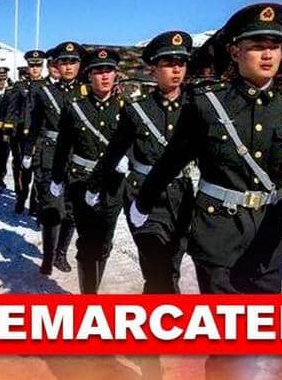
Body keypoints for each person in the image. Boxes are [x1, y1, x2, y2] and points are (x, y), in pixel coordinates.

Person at [131, 3, 282, 380]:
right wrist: (144, 200)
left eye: (274, 45)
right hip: (218, 234)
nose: (267, 54)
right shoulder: (208, 104)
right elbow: (172, 160)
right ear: (235, 52)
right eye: (257, 46)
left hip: (269, 234)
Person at [88, 31, 195, 295]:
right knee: (157, 265)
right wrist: (94, 185)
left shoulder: (196, 107)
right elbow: (114, 151)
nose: (176, 69)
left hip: (181, 194)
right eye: (168, 63)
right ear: (153, 69)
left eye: (181, 63)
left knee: (171, 266)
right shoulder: (137, 110)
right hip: (142, 194)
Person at [51, 47, 127, 289]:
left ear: (115, 74)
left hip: (113, 185)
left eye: (109, 71)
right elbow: (63, 146)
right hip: (81, 182)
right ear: (89, 76)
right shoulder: (75, 108)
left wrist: (128, 159)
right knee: (87, 242)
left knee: (104, 242)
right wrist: (57, 177)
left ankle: (93, 286)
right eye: (98, 71)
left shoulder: (127, 108)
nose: (104, 76)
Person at [23, 42, 83, 275]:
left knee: (72, 210)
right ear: (56, 65)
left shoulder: (86, 92)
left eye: (73, 62)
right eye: (64, 62)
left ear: (79, 65)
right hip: (50, 155)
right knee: (52, 209)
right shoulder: (45, 92)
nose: (68, 67)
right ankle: (48, 256)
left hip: (77, 157)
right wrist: (28, 151)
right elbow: (35, 125)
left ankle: (61, 254)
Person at [2, 50, 46, 213]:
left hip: (40, 135)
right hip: (21, 134)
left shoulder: (47, 86)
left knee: (39, 170)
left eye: (38, 65)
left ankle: (35, 203)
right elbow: (12, 109)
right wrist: (8, 129)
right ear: (27, 67)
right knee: (22, 169)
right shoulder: (20, 86)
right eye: (32, 65)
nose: (35, 69)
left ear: (42, 67)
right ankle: (21, 197)